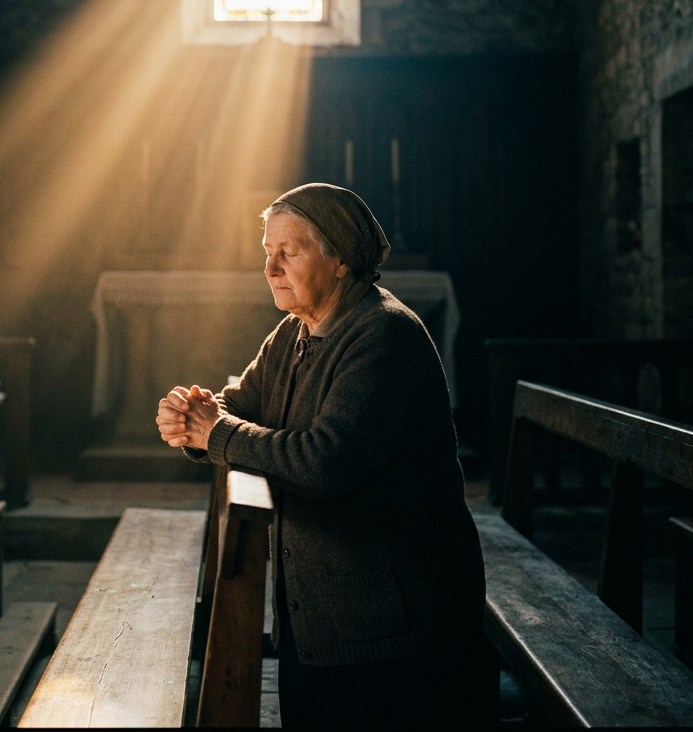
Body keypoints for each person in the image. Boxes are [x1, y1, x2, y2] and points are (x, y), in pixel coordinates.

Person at [156, 183, 492, 730]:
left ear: (340, 259)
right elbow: (240, 408)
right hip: (325, 618)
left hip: (394, 629)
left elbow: (324, 460)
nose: (271, 268)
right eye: (267, 252)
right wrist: (191, 411)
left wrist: (211, 432)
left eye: (289, 251)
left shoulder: (384, 336)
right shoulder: (295, 331)